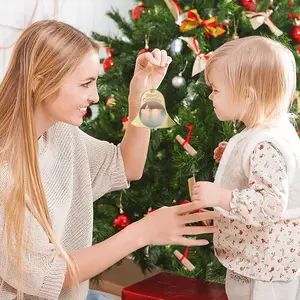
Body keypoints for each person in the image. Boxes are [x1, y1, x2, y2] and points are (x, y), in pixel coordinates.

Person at [0, 20, 219, 300]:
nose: (94, 96)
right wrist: (142, 232)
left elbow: (127, 167)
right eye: (85, 84)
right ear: (40, 82)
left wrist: (141, 93)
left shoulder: (60, 133)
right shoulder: (6, 170)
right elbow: (53, 276)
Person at [191, 36, 300, 300]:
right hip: (264, 262)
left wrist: (221, 197)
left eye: (216, 89)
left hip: (264, 273)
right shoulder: (268, 132)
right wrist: (233, 152)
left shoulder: (265, 145)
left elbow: (269, 205)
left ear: (247, 95)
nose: (210, 95)